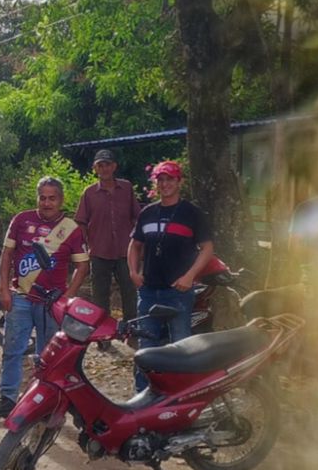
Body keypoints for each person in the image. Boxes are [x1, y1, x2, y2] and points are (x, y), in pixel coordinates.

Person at [0, 176, 90, 418]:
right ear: (37, 198)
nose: (47, 203)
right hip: (20, 296)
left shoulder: (71, 229)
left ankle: (44, 403)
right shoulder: (21, 219)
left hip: (52, 302)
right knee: (12, 349)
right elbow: (7, 255)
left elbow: (83, 267)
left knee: (48, 356)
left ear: (61, 200)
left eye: (52, 198)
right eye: (43, 197)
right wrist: (4, 290)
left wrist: (67, 298)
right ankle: (7, 398)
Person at [128, 160, 214, 393]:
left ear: (179, 182)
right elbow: (135, 245)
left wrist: (190, 276)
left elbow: (207, 249)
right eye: (161, 180)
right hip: (149, 292)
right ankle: (142, 397)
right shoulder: (147, 212)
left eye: (170, 179)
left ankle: (181, 397)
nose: (165, 184)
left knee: (181, 346)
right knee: (147, 346)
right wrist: (133, 272)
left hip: (179, 292)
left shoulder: (192, 213)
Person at [75, 149, 142, 335]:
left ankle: (132, 332)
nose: (104, 168)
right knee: (100, 297)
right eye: (100, 165)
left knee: (130, 294)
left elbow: (137, 217)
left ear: (114, 166)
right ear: (95, 168)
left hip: (125, 251)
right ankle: (103, 335)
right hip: (99, 252)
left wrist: (138, 245)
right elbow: (81, 222)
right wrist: (86, 247)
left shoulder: (126, 188)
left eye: (107, 164)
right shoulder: (89, 193)